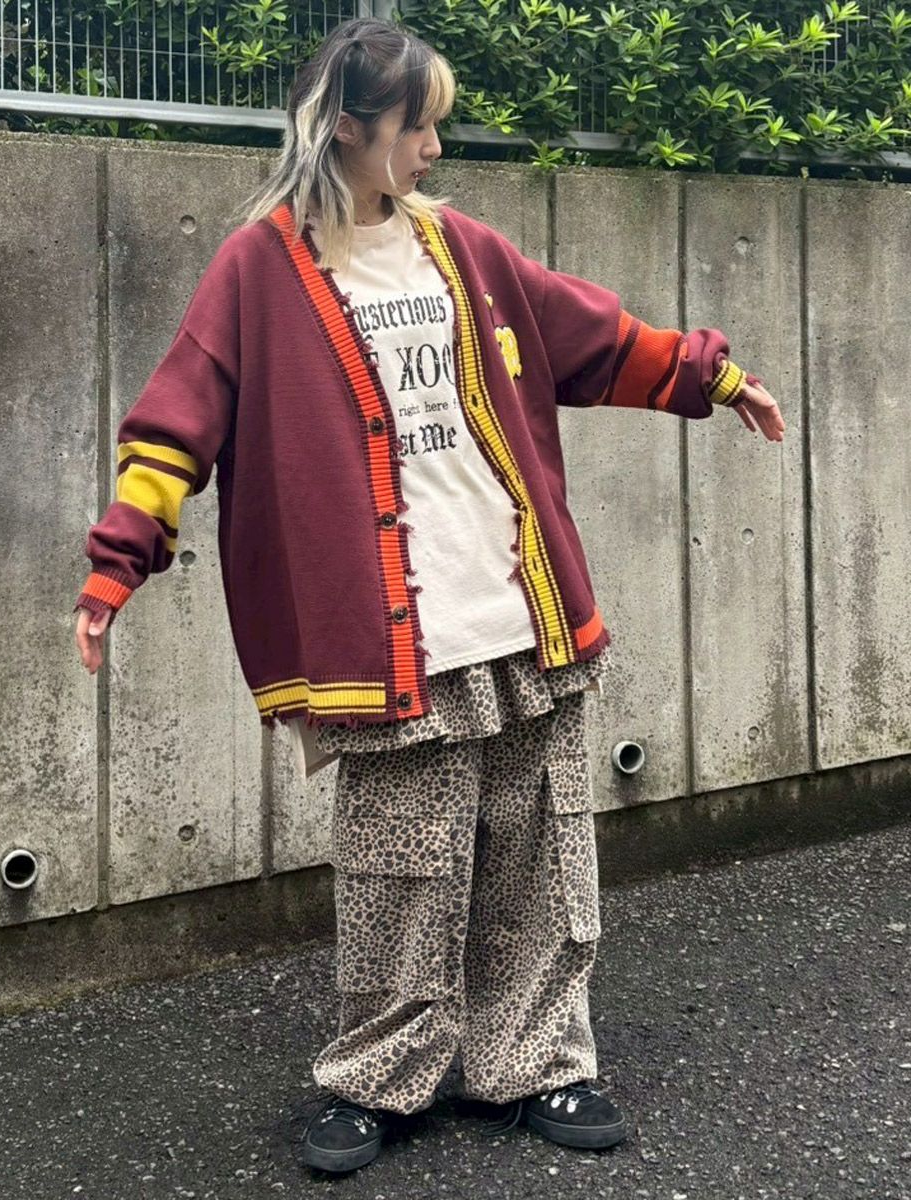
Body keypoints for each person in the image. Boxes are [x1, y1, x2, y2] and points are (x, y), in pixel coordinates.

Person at [74, 15, 785, 1176]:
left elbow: (593, 336)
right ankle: (378, 1078)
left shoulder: (463, 249)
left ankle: (537, 1064)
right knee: (399, 871)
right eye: (419, 126)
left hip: (519, 612)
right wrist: (117, 564)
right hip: (385, 642)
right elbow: (175, 425)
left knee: (538, 859)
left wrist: (715, 376)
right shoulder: (258, 270)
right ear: (349, 128)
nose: (435, 149)